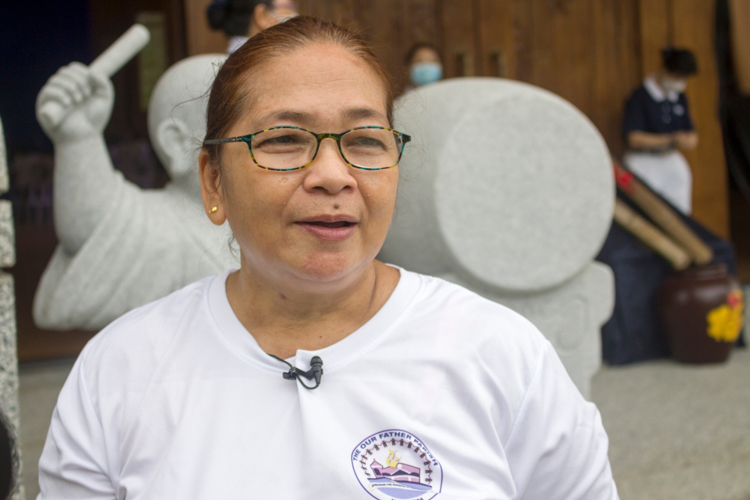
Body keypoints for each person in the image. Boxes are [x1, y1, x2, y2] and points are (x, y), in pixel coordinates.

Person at [38, 17, 619, 499]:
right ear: (212, 182)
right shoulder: (119, 372)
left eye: (366, 141)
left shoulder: (500, 356)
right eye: (285, 140)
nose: (333, 176)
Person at [33, 55, 238, 331]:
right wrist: (78, 138)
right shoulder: (160, 224)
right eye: (239, 126)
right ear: (175, 142)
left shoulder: (274, 222)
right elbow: (90, 230)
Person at [623, 47, 699, 214]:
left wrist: (686, 140)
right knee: (646, 213)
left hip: (670, 158)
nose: (679, 81)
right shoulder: (639, 97)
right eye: (676, 76)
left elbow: (691, 134)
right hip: (644, 161)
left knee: (681, 211)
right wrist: (671, 139)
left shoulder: (678, 96)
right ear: (665, 70)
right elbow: (634, 138)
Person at [206, 0, 297, 53]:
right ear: (262, 16)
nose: (294, 14)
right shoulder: (268, 68)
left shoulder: (227, 66)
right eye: (288, 7)